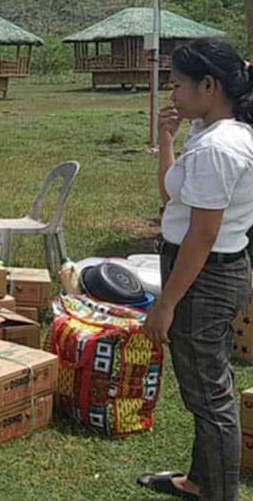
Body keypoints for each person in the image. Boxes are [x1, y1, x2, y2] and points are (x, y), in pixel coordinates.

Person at [138, 38, 253, 501]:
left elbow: (202, 235)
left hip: (204, 277)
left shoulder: (218, 148)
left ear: (209, 86)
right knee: (207, 386)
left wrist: (166, 304)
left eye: (178, 84)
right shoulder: (212, 133)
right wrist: (167, 140)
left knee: (209, 398)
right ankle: (200, 481)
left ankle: (219, 494)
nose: (172, 94)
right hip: (208, 272)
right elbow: (173, 199)